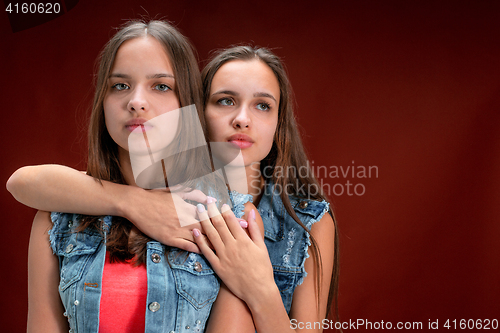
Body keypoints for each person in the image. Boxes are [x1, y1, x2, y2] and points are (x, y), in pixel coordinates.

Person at [8, 46, 339, 331]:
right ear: (193, 112)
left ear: (279, 124)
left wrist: (259, 287)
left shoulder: (306, 220)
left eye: (263, 105)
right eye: (225, 101)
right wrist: (133, 202)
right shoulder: (167, 197)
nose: (242, 119)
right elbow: (28, 183)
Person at [21, 20, 260, 333]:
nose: (136, 101)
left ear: (185, 102)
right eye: (120, 85)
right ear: (102, 103)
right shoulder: (58, 221)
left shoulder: (227, 218)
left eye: (161, 86)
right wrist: (133, 202)